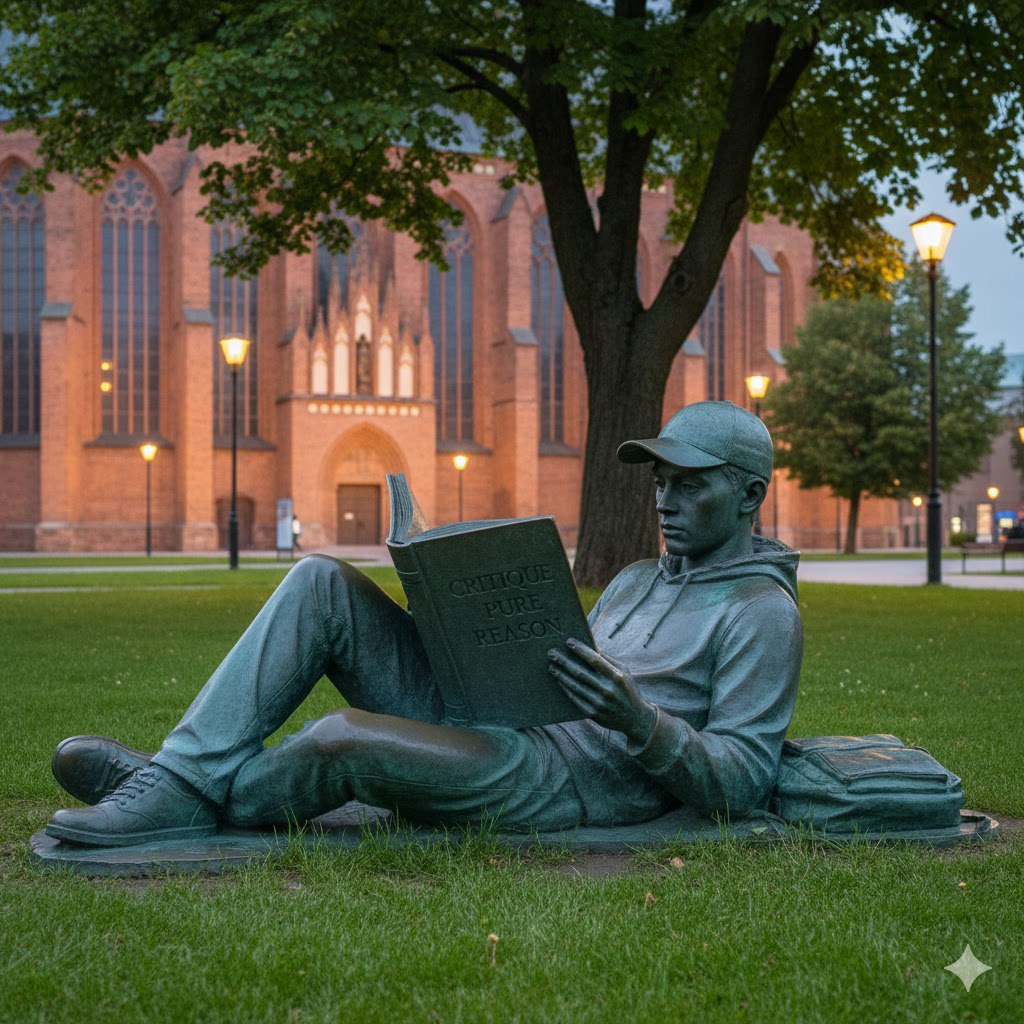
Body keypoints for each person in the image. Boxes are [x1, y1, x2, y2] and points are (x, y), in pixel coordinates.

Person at [46, 401, 803, 847]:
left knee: (342, 740)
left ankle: (186, 796)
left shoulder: (760, 614)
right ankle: (180, 775)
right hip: (504, 717)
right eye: (662, 482)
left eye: (690, 485)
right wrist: (455, 627)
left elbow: (743, 781)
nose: (666, 501)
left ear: (749, 496)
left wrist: (638, 719)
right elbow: (553, 654)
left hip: (559, 779)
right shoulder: (639, 578)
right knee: (320, 582)